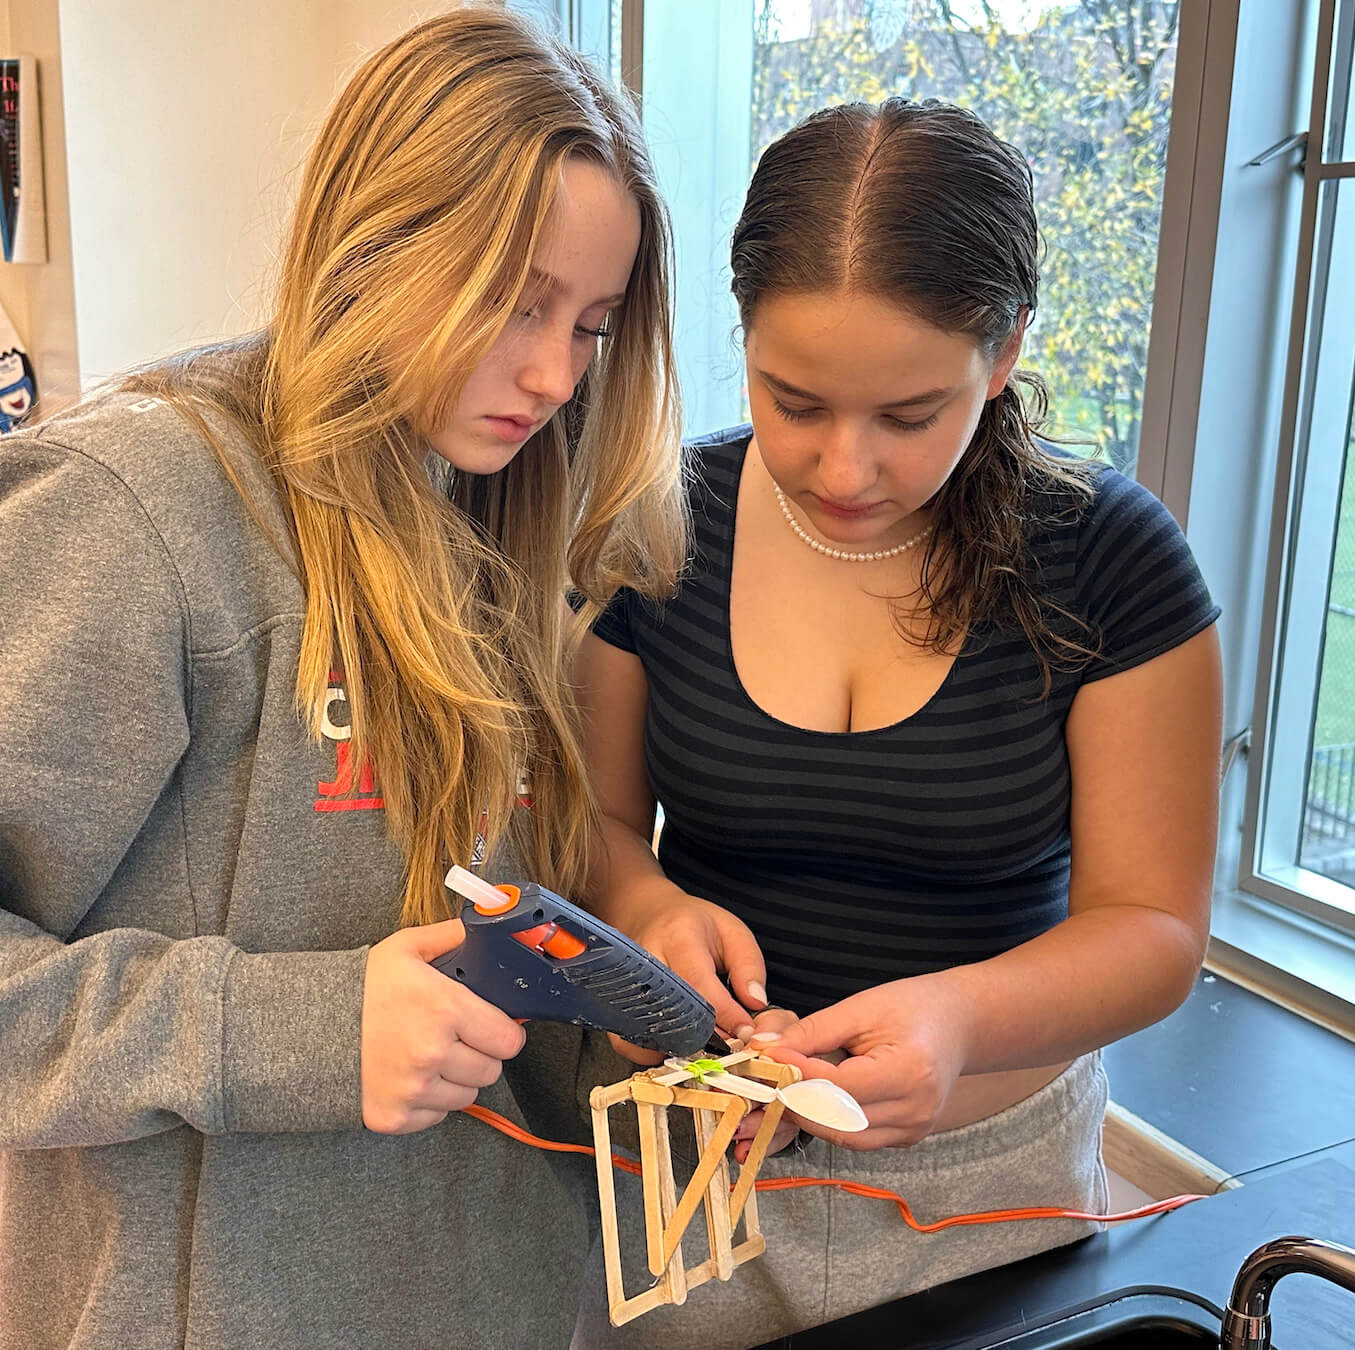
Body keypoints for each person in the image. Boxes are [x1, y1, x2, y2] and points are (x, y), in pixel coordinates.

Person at [0, 11, 685, 1348]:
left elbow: (467, 933)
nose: (555, 374)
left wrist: (629, 1008)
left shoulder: (500, 515)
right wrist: (302, 1030)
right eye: (515, 304)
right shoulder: (128, 514)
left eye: (592, 323)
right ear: (377, 239)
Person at [573, 97, 1222, 1347]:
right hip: (693, 1150)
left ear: (1008, 348)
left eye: (911, 416)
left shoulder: (1107, 558)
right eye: (794, 399)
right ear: (743, 336)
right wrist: (650, 908)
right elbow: (597, 816)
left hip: (986, 1185)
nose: (844, 469)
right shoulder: (658, 525)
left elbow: (1151, 929)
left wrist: (960, 1022)